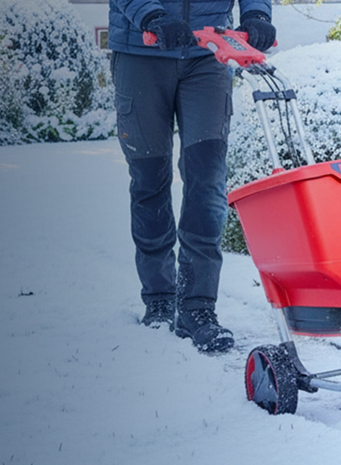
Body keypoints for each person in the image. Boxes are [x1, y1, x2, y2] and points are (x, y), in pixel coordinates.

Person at [109, 0, 276, 352]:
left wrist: (256, 14)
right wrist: (151, 16)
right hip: (142, 50)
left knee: (208, 182)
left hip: (207, 53)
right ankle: (159, 298)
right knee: (149, 181)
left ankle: (197, 306)